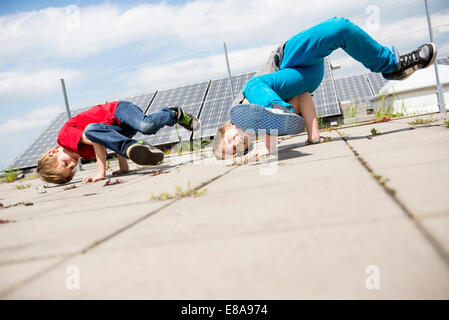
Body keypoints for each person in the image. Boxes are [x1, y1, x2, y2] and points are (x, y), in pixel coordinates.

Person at [213, 17, 437, 160]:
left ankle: (393, 65)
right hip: (304, 77)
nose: (237, 144)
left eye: (230, 141)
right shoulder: (261, 129)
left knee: (339, 28)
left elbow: (253, 112)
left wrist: (269, 146)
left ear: (227, 127)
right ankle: (276, 109)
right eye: (236, 150)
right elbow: (302, 97)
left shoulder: (237, 112)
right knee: (280, 104)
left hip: (287, 57)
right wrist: (313, 138)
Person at [37, 101, 200, 184]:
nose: (73, 163)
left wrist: (101, 173)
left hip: (118, 110)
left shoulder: (64, 137)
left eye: (65, 163)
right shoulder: (82, 154)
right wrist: (123, 167)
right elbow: (110, 141)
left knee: (146, 125)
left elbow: (97, 138)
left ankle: (172, 113)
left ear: (53, 152)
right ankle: (132, 147)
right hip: (118, 130)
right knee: (115, 135)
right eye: (72, 168)